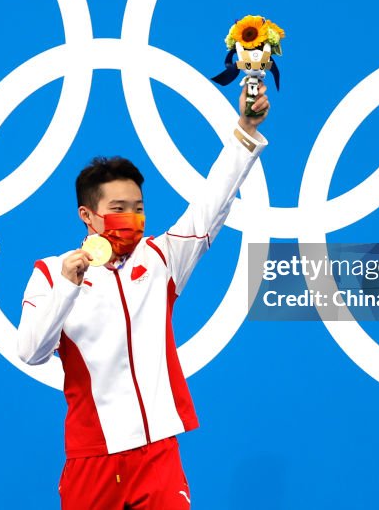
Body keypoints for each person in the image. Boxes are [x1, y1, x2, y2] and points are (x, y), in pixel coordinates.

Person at [18, 84, 270, 509]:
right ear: (87, 215)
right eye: (119, 207)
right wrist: (67, 286)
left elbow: (212, 203)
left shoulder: (160, 259)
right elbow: (31, 352)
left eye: (138, 206)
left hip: (157, 453)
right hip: (93, 457)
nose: (131, 218)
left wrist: (245, 129)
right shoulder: (50, 273)